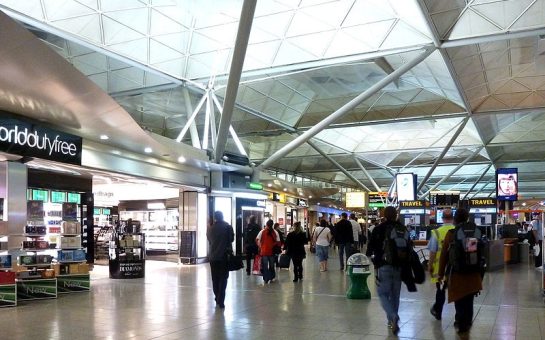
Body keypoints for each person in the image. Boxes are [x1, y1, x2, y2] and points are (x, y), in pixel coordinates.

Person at [438, 208, 483, 334]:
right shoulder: (475, 232)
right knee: (469, 299)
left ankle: (460, 322)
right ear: (467, 218)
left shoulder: (451, 234)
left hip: (457, 273)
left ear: (455, 219)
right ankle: (467, 322)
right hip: (473, 272)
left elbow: (444, 256)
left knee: (459, 299)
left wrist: (441, 274)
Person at [366, 206, 404, 334]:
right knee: (395, 295)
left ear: (384, 215)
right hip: (399, 267)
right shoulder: (402, 228)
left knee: (382, 293)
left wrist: (371, 256)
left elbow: (370, 248)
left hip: (383, 265)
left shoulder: (378, 229)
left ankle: (392, 316)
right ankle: (391, 319)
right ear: (396, 215)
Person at [427, 208, 455, 320]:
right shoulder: (457, 230)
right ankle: (458, 317)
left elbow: (433, 251)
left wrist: (430, 265)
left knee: (441, 290)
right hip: (455, 267)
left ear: (442, 218)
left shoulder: (437, 232)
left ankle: (438, 311)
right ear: (452, 218)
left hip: (440, 269)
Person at [206, 211, 234, 309]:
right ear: (222, 217)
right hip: (224, 257)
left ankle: (217, 296)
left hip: (213, 257)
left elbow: (209, 240)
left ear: (215, 218)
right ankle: (220, 299)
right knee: (223, 278)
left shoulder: (210, 229)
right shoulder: (227, 227)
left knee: (215, 278)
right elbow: (231, 239)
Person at [256, 220, 280, 284]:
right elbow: (278, 242)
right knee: (272, 265)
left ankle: (266, 278)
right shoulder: (275, 232)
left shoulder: (262, 231)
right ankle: (272, 276)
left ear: (266, 224)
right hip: (272, 252)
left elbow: (257, 239)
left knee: (265, 266)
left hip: (264, 252)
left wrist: (260, 246)